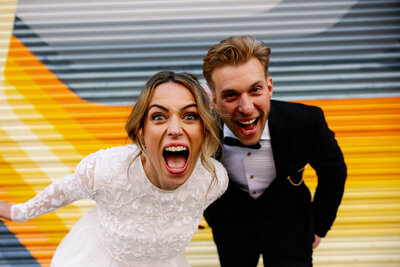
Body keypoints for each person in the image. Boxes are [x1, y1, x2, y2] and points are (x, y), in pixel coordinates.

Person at [0, 71, 228, 267]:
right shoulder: (105, 170)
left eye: (190, 116)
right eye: (159, 116)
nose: (175, 129)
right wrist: (19, 213)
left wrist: (176, 218)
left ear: (204, 130)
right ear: (141, 132)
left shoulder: (214, 180)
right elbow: (63, 190)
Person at [202, 36, 347, 267]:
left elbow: (334, 173)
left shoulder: (307, 122)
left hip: (291, 226)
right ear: (213, 100)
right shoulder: (199, 131)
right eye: (231, 95)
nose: (246, 108)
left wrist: (319, 225)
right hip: (231, 229)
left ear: (269, 87)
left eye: (255, 90)